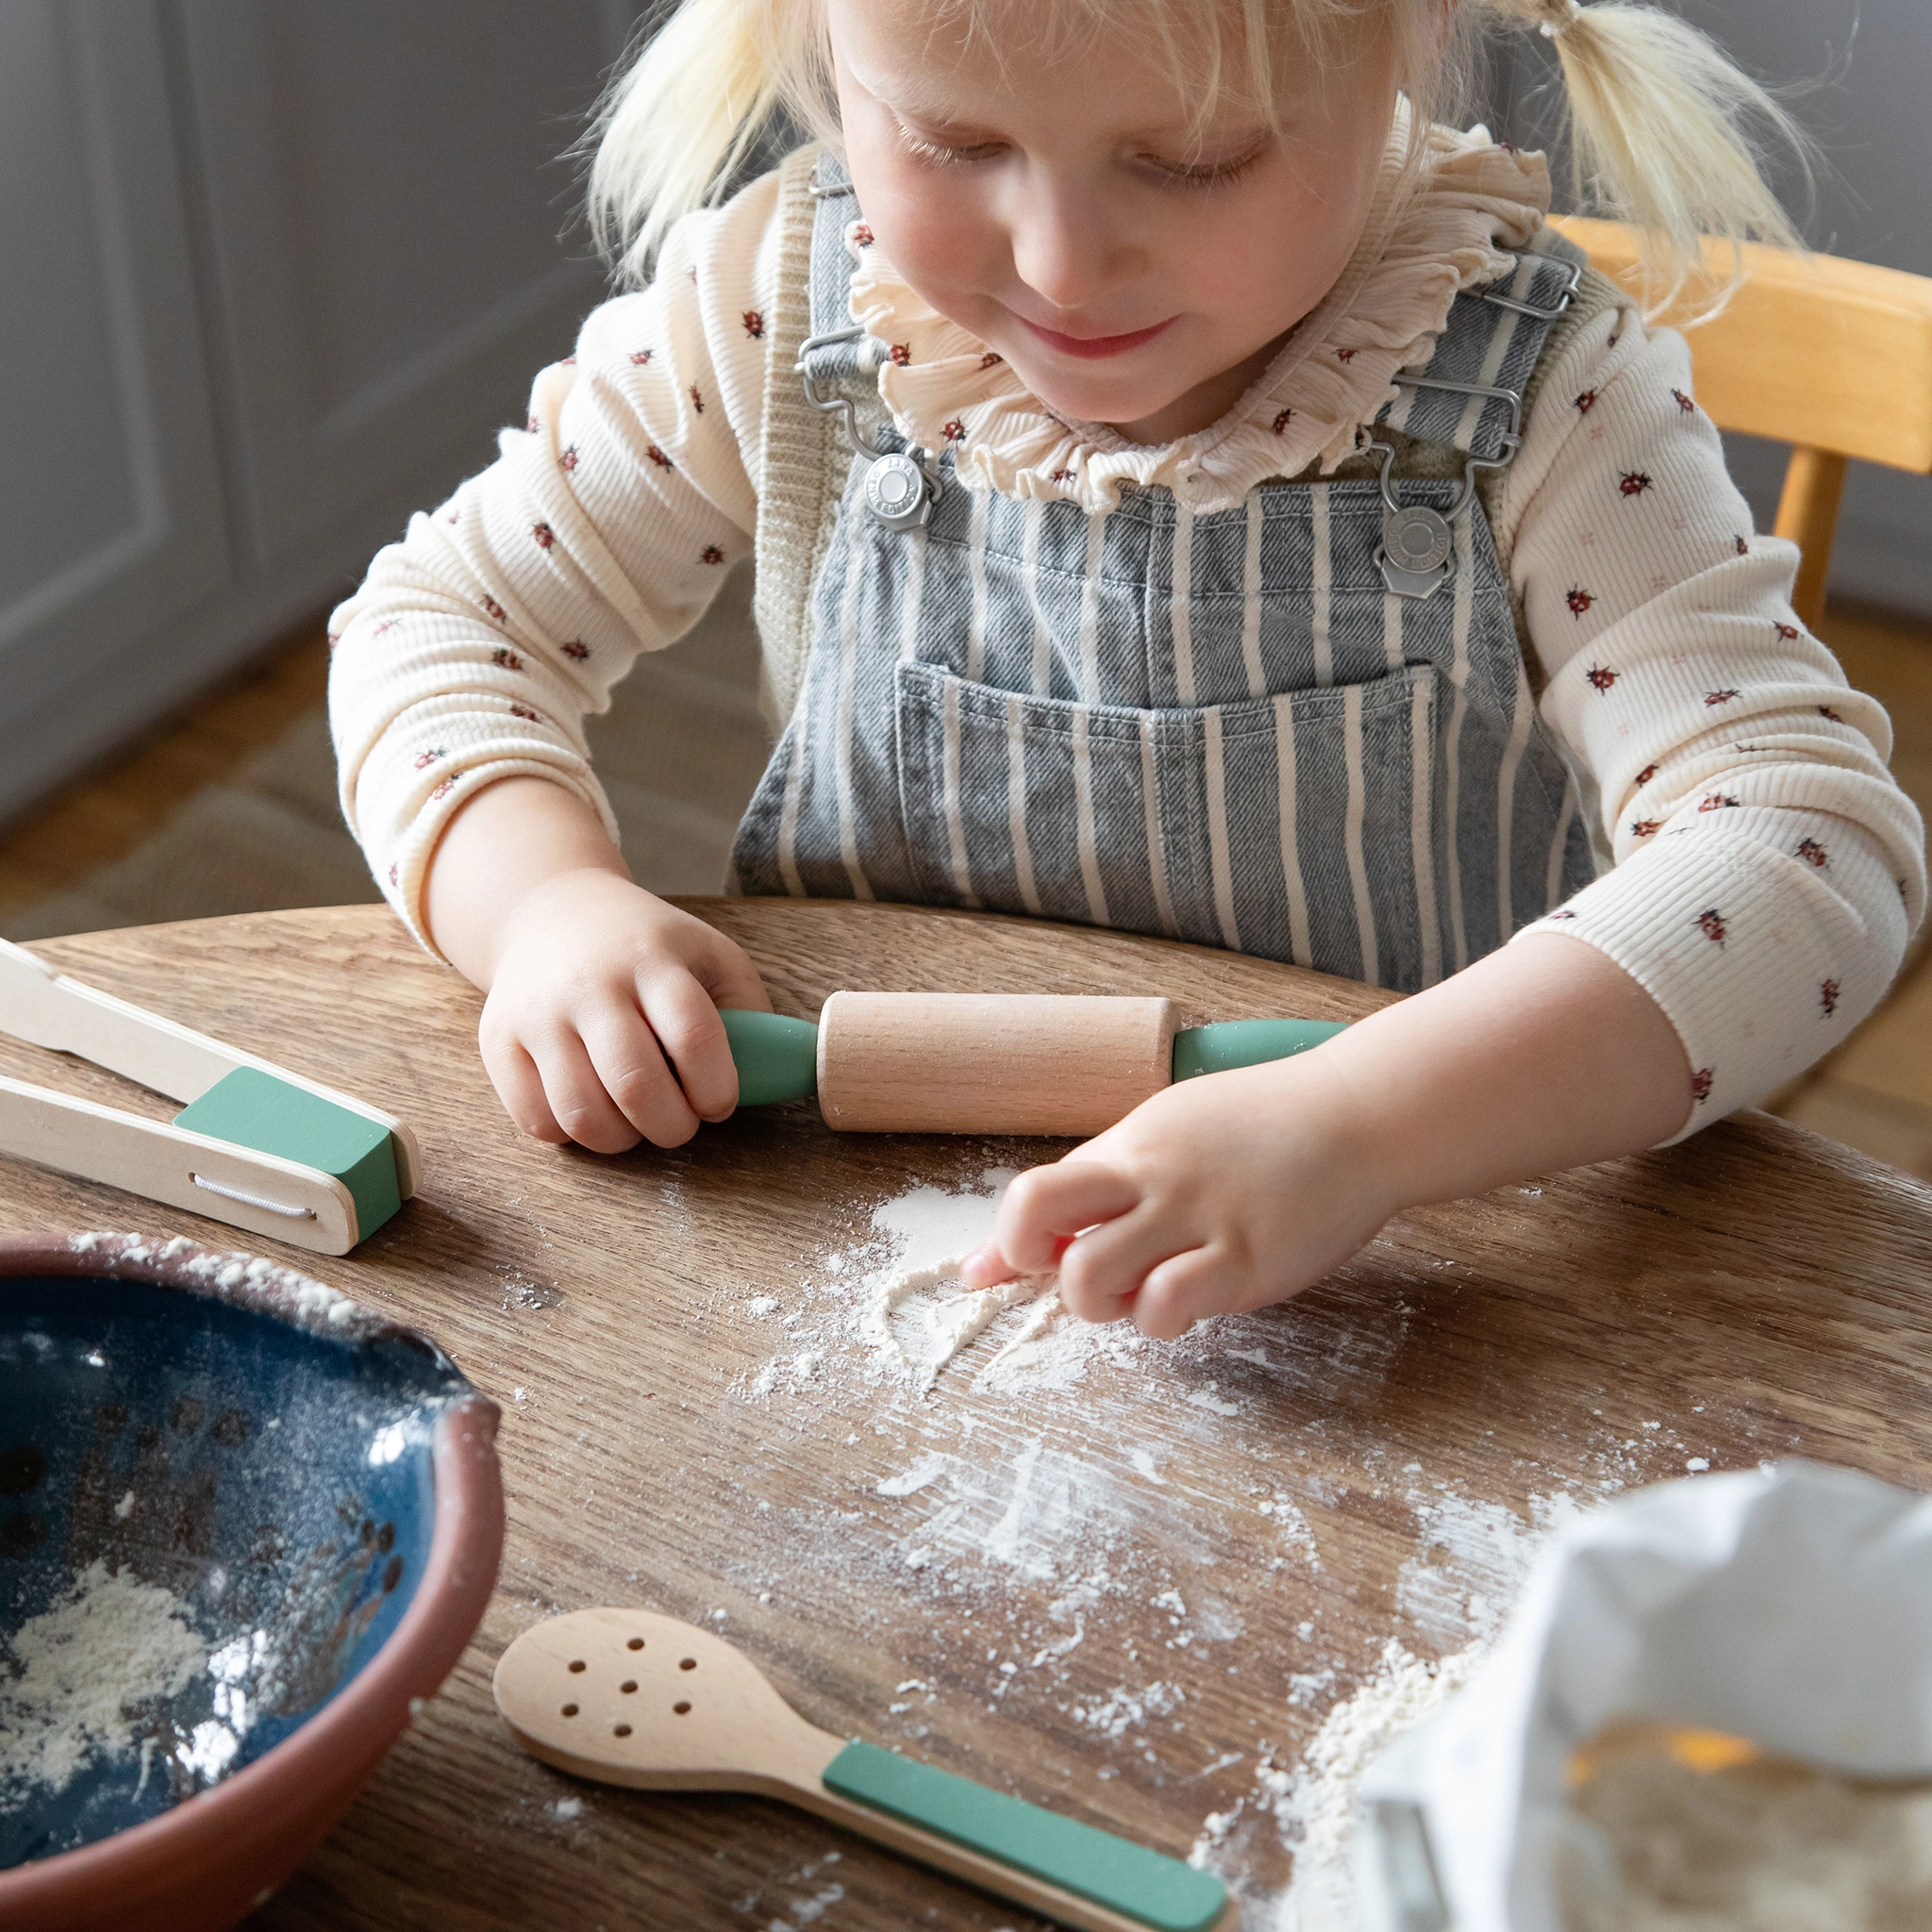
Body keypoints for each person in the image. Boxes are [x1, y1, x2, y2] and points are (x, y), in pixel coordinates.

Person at [328, 0, 1924, 1340]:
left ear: (1406, 38)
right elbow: (442, 626)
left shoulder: (1543, 394)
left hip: (1407, 1254)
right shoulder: (772, 304)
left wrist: (1357, 1127)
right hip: (855, 1252)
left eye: (1195, 157)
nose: (1065, 266)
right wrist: (539, 905)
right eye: (955, 143)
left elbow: (1805, 848)